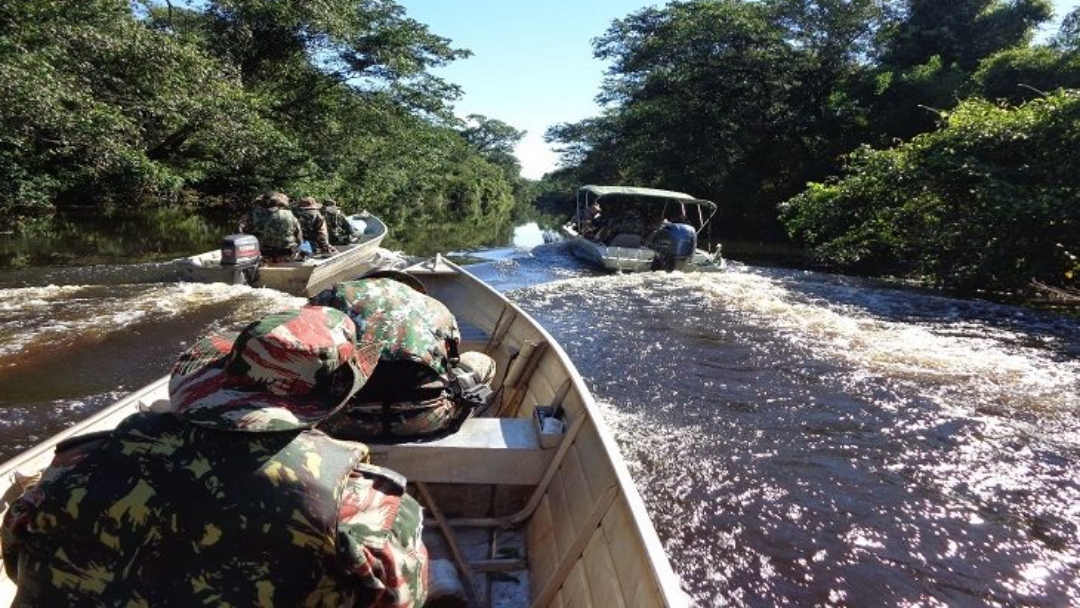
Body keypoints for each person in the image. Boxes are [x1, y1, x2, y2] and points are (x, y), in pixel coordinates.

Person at [0, 307, 428, 607]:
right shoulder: (361, 505)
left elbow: (18, 560)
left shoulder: (75, 464)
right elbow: (398, 598)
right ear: (334, 397)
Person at [311, 272, 496, 441]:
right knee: (484, 362)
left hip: (342, 421)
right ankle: (462, 413)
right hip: (425, 419)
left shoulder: (335, 296)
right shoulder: (436, 307)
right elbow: (451, 361)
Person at [237, 191, 304, 262]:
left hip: (263, 256)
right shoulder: (290, 215)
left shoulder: (251, 215)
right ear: (278, 202)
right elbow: (299, 237)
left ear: (262, 202)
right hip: (287, 255)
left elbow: (238, 231)